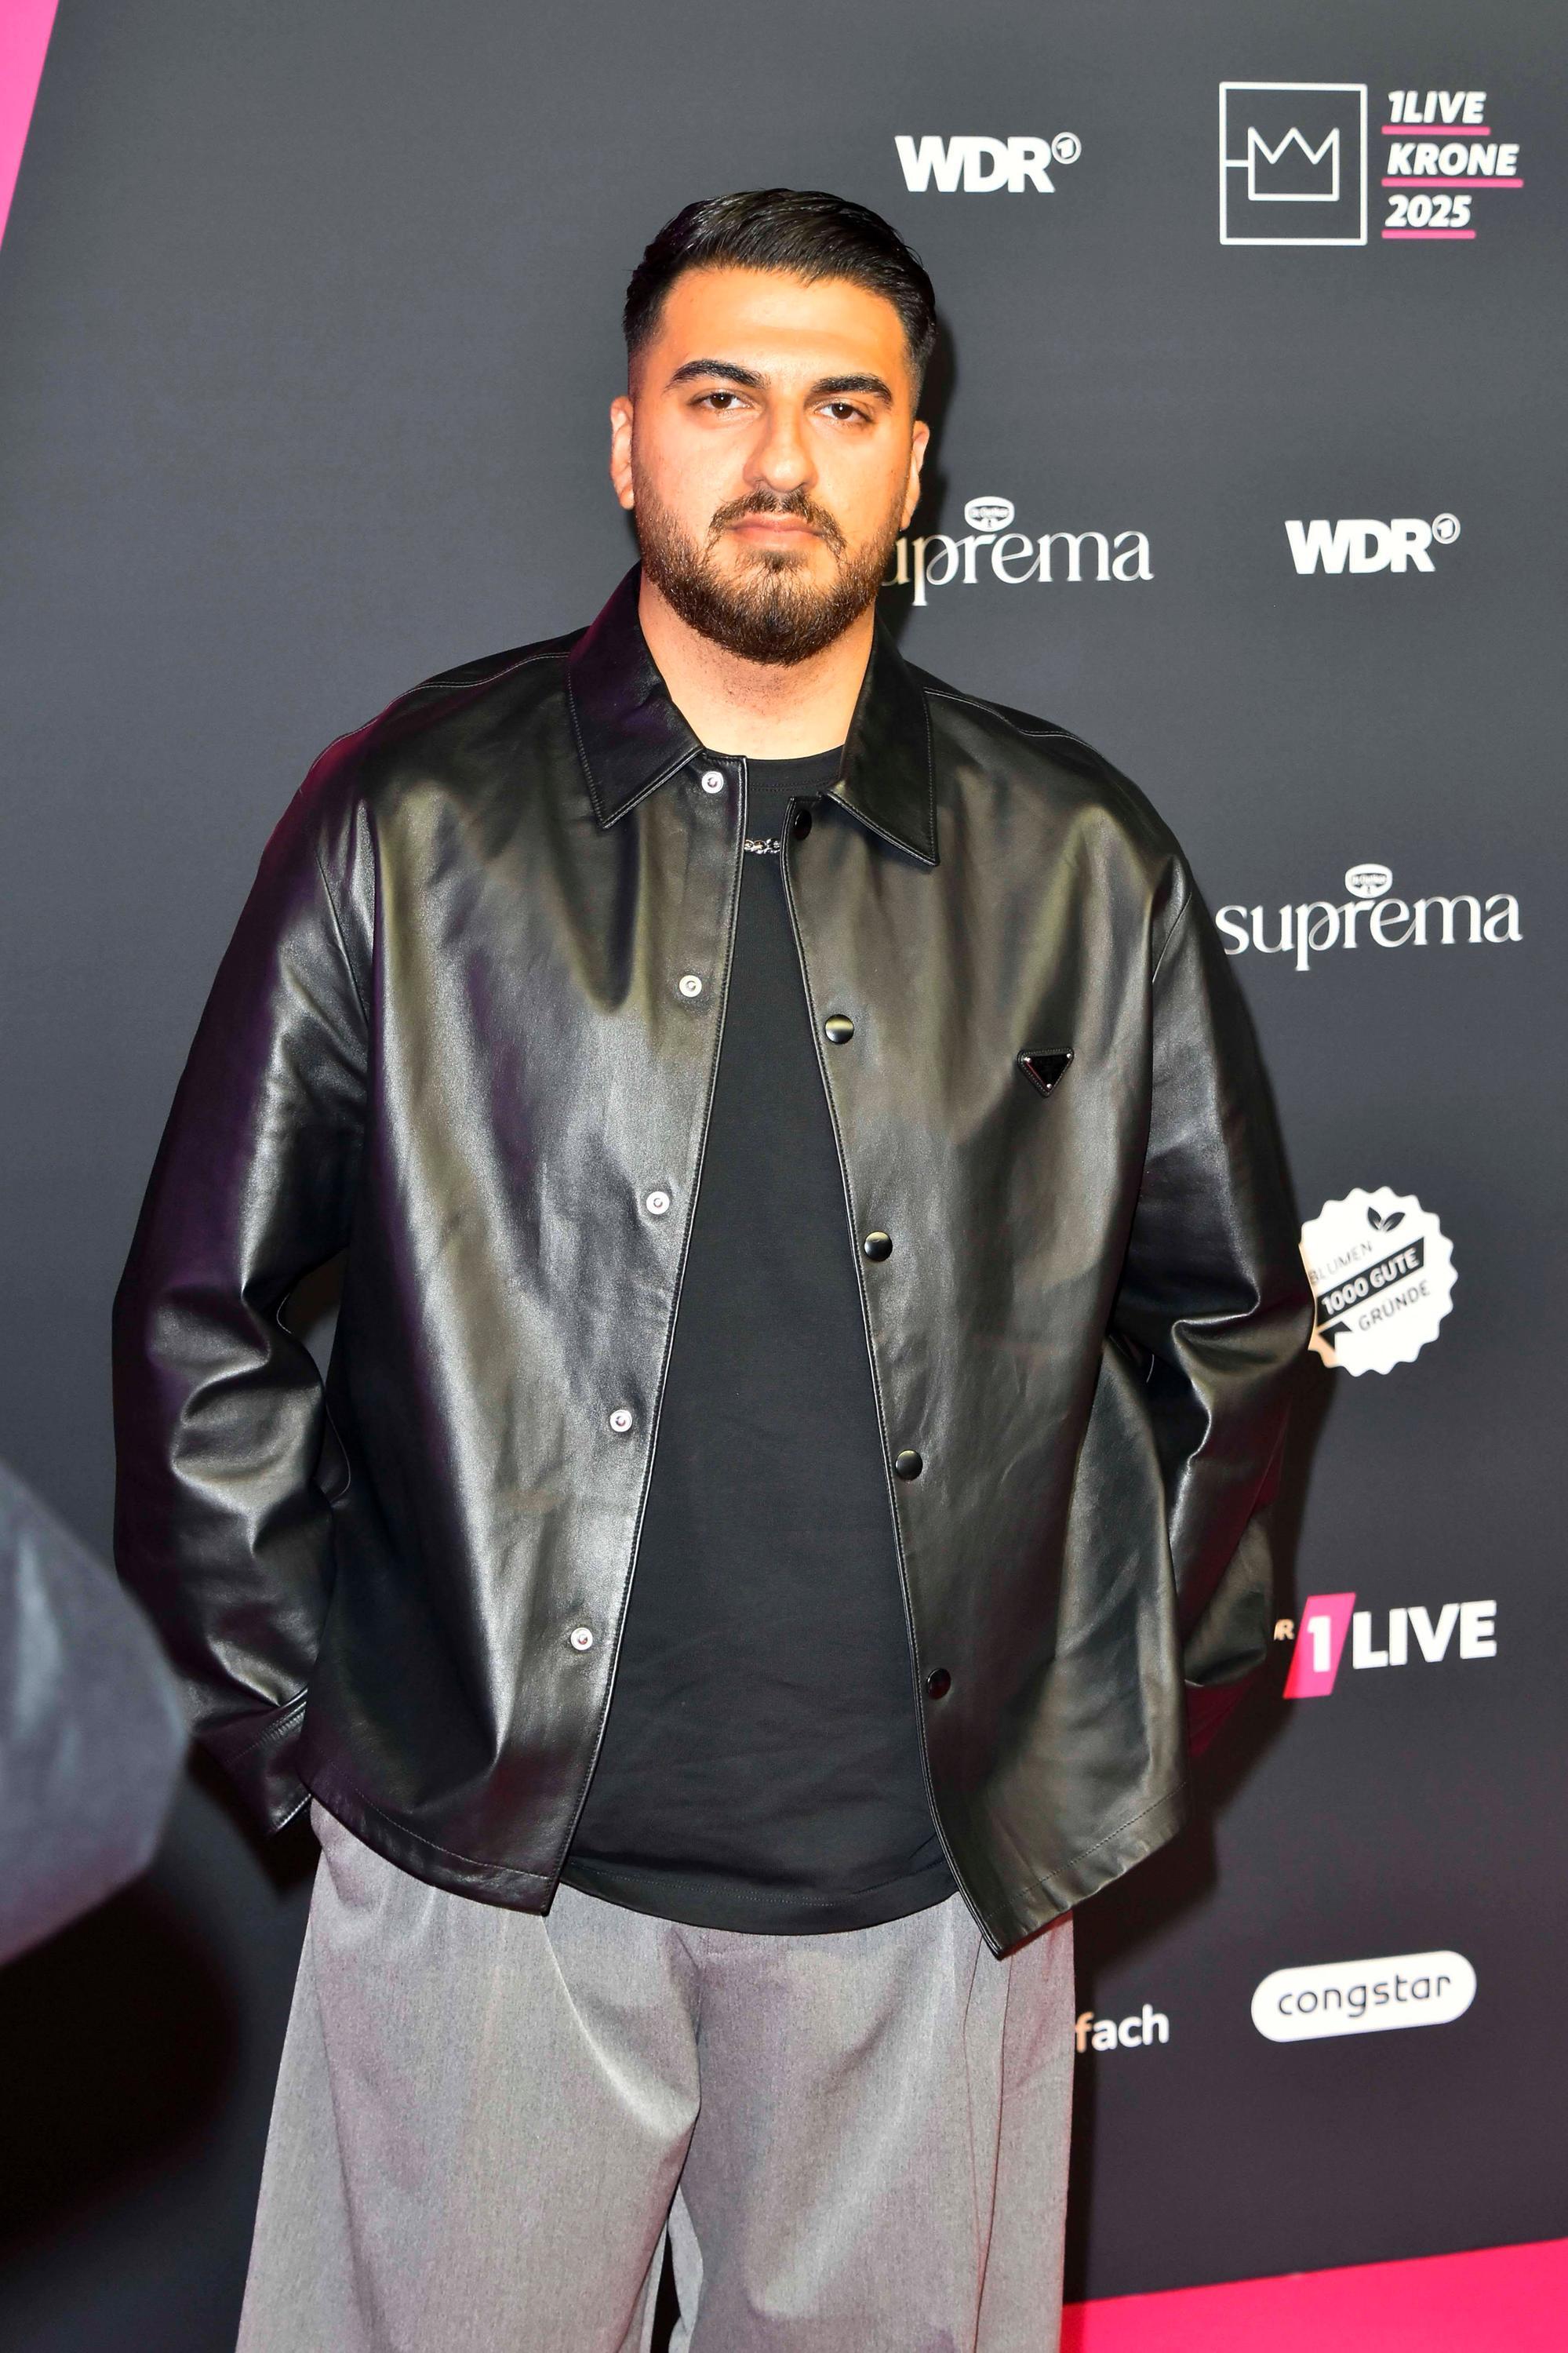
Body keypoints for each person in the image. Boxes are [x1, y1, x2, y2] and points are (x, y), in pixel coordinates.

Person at [112, 188, 1311, 2353]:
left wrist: (1094, 1730)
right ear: (626, 441)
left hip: (930, 1911)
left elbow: (1225, 1333)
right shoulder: (417, 815)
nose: (780, 460)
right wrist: (327, 1749)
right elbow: (206, 1316)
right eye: (721, 396)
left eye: (845, 408)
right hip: (490, 1886)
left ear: (915, 465)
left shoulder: (1081, 859)